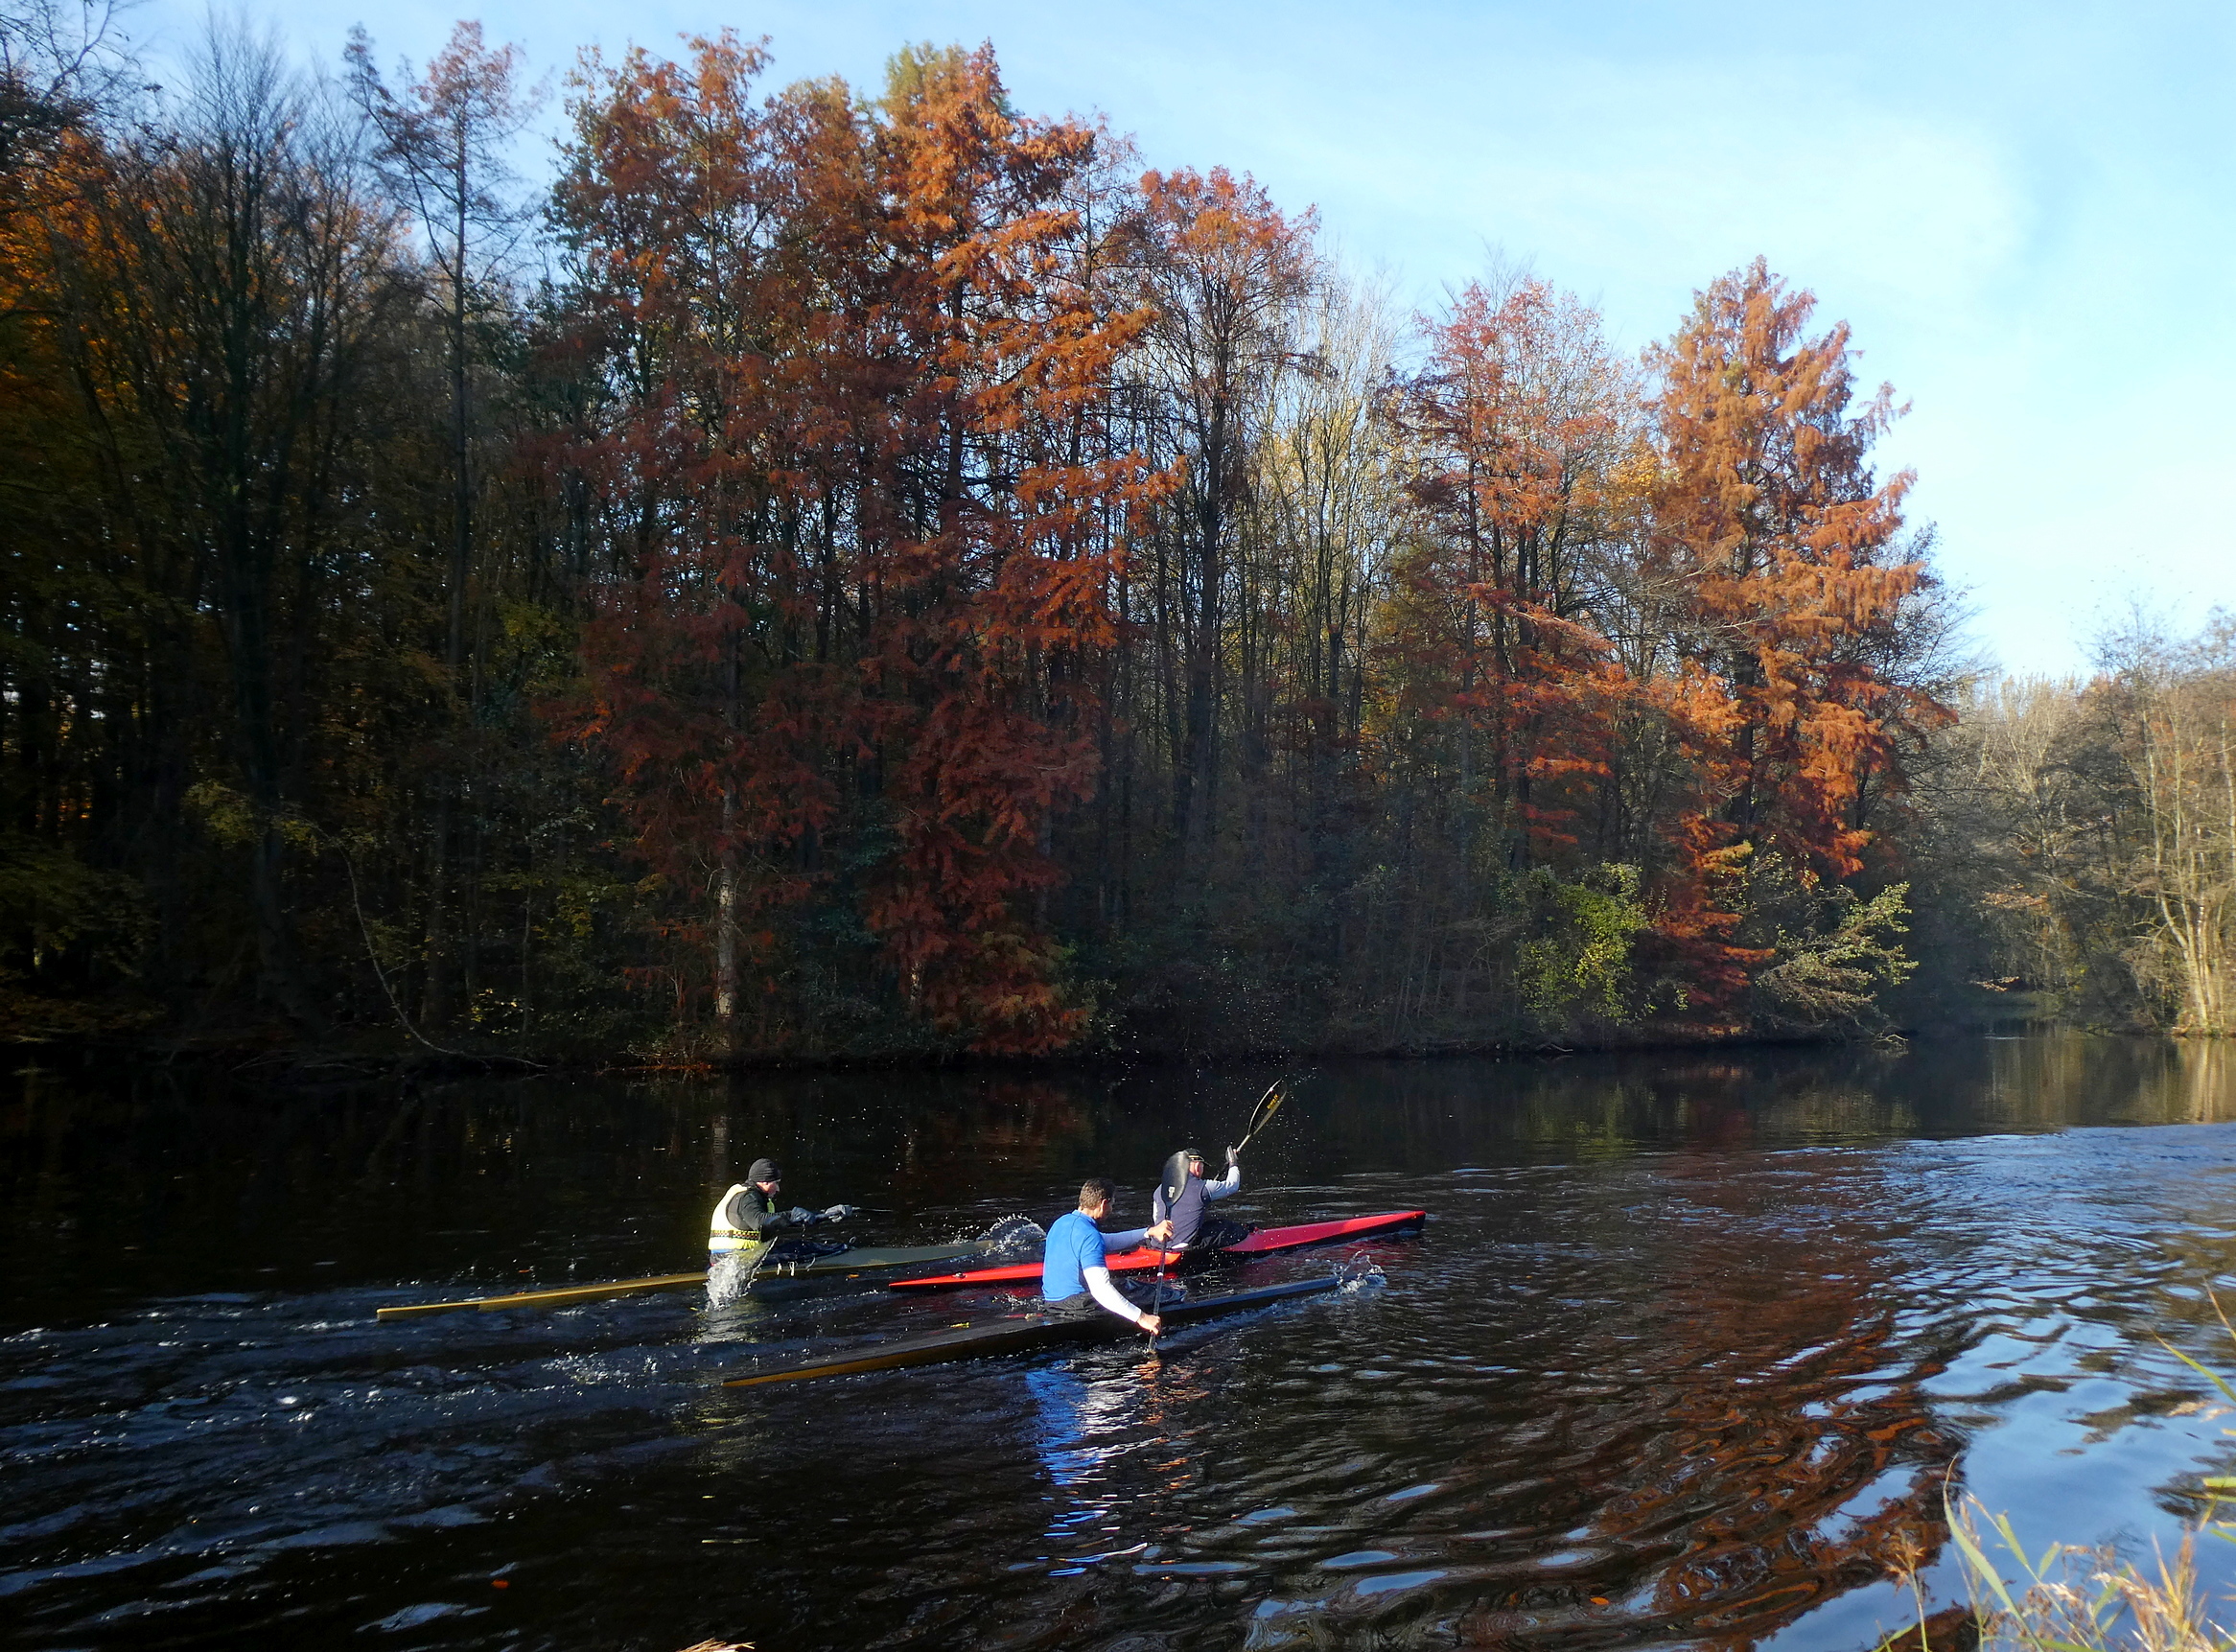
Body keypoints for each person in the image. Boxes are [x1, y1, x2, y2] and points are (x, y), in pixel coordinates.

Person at [1041, 1176, 1174, 1333]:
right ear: (1104, 1204)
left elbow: (1107, 1241)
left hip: (1051, 1303)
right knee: (1131, 1287)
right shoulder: (1090, 1236)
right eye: (1112, 1204)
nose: (1111, 1209)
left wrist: (1149, 1232)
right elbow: (1101, 1290)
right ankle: (1178, 1298)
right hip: (1077, 1306)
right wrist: (1142, 1318)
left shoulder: (1062, 1222)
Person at [708, 1158, 857, 1259]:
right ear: (764, 1181)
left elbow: (780, 1221)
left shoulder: (747, 1195)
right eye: (776, 1183)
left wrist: (827, 1214)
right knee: (802, 1248)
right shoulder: (748, 1198)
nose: (778, 1189)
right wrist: (792, 1215)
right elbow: (760, 1223)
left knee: (795, 1246)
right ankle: (844, 1252)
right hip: (735, 1260)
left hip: (723, 1259)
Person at [1153, 1144, 1249, 1252]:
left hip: (1157, 1245)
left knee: (1206, 1225)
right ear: (1197, 1166)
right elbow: (1233, 1185)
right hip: (1184, 1248)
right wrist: (1233, 1163)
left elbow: (1157, 1219)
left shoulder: (1159, 1189)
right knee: (1227, 1226)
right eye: (1203, 1166)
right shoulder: (1204, 1187)